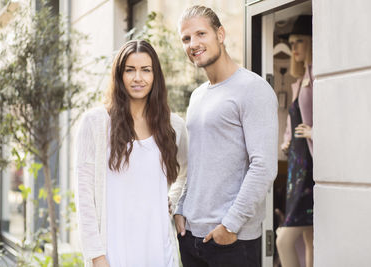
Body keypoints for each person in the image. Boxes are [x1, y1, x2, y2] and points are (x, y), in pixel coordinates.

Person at [174, 5, 278, 267]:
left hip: (232, 241)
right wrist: (181, 208)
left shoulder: (253, 89)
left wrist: (230, 226)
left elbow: (264, 166)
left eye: (201, 34)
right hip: (191, 237)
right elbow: (196, 164)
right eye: (186, 38)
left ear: (220, 34)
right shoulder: (197, 96)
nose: (193, 44)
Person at [75, 40, 188, 267]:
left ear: (155, 76)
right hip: (113, 255)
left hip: (159, 253)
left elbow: (187, 171)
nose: (138, 78)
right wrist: (96, 256)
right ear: (119, 75)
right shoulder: (95, 124)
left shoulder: (173, 126)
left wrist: (174, 201)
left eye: (146, 70)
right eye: (130, 70)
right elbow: (84, 197)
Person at [276, 15, 314, 267]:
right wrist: (286, 141)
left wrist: (314, 132)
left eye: (300, 40)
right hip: (295, 167)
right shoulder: (299, 83)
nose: (295, 47)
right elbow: (292, 123)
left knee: (283, 239)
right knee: (310, 238)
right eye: (291, 43)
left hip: (310, 168)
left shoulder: (320, 80)